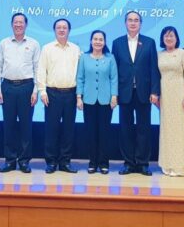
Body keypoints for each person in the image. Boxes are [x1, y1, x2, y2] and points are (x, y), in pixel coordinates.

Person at [111, 11, 160, 176]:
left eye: (136, 20)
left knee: (144, 129)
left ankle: (143, 163)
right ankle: (129, 163)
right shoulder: (117, 43)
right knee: (125, 129)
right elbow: (114, 71)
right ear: (125, 23)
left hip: (144, 92)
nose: (133, 23)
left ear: (140, 23)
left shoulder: (149, 42)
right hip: (124, 92)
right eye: (130, 20)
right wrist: (114, 93)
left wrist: (155, 91)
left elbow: (154, 68)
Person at [0, 13, 40, 173]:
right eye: (15, 22)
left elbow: (37, 68)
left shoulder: (33, 44)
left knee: (26, 126)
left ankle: (24, 161)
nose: (18, 25)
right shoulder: (4, 43)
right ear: (11, 24)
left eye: (21, 22)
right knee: (9, 125)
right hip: (7, 87)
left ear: (26, 25)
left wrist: (35, 91)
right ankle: (10, 160)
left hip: (27, 87)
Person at [37, 18, 81, 173]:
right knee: (51, 129)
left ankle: (65, 162)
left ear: (69, 30)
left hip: (71, 94)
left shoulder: (75, 49)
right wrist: (42, 91)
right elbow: (41, 70)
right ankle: (51, 162)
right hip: (52, 94)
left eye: (64, 27)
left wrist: (79, 95)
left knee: (68, 130)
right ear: (54, 30)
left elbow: (80, 73)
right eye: (59, 27)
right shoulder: (47, 48)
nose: (62, 30)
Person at [76, 30, 118, 174]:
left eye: (101, 39)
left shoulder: (110, 58)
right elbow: (80, 78)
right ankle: (92, 162)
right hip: (88, 100)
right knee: (91, 133)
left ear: (104, 42)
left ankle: (104, 163)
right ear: (91, 41)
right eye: (95, 39)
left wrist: (114, 96)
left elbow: (114, 78)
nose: (98, 42)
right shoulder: (84, 58)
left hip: (106, 101)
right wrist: (79, 97)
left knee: (104, 133)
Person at [157, 26, 184, 176]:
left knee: (180, 129)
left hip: (180, 94)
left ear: (177, 38)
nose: (169, 38)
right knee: (167, 130)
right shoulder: (159, 54)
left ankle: (181, 166)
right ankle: (167, 164)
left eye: (171, 35)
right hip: (165, 95)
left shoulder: (183, 53)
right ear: (162, 38)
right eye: (166, 36)